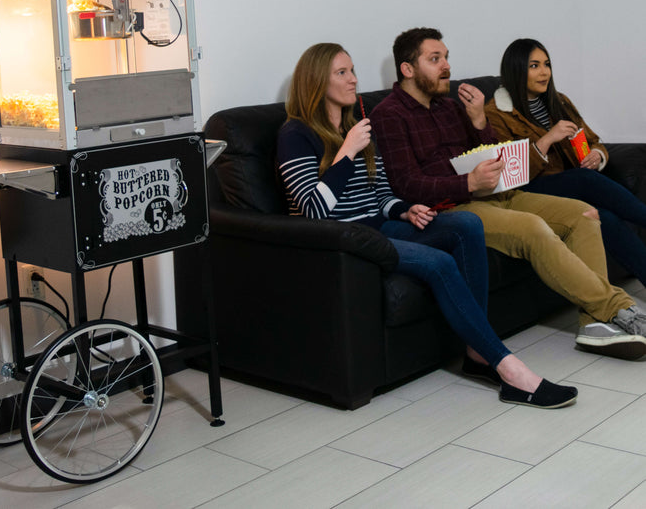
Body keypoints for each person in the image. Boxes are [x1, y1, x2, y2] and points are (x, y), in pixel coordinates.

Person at [277, 42, 577, 409]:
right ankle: (509, 369)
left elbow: (381, 193)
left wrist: (404, 210)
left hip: (378, 226)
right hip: (345, 240)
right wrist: (346, 153)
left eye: (353, 70)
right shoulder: (296, 134)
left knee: (466, 224)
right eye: (342, 73)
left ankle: (476, 353)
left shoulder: (357, 125)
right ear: (315, 81)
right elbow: (312, 211)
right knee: (439, 263)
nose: (354, 79)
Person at [369, 27, 646, 360]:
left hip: (499, 193)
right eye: (435, 59)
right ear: (408, 69)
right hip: (454, 207)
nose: (446, 66)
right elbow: (406, 184)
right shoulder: (388, 115)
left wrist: (478, 121)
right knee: (533, 228)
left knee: (584, 214)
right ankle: (619, 307)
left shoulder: (450, 105)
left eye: (446, 58)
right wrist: (468, 184)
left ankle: (593, 324)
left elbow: (493, 152)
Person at [485, 38, 646, 287]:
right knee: (583, 179)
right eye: (534, 66)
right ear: (516, 69)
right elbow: (508, 172)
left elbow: (592, 140)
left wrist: (597, 154)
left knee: (606, 218)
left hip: (570, 184)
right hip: (529, 190)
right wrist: (548, 139)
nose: (544, 72)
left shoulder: (559, 100)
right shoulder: (496, 114)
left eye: (546, 64)